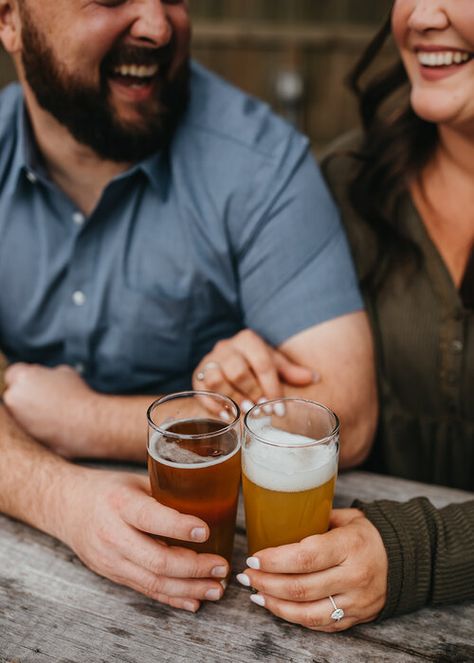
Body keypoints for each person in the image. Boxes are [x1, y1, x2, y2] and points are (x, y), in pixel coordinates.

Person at [0, 1, 377, 612]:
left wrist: (89, 419)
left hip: (225, 589)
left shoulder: (259, 164)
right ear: (9, 19)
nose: (157, 25)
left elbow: (348, 415)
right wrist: (58, 496)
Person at [195, 0, 474, 630]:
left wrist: (421, 553)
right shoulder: (342, 182)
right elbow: (310, 406)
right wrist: (243, 377)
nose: (424, 16)